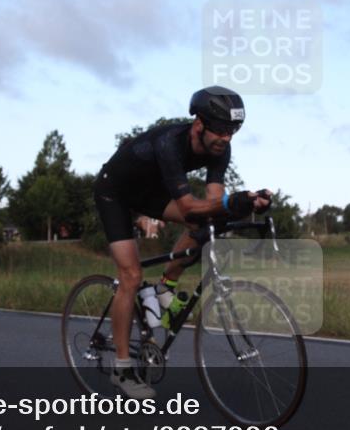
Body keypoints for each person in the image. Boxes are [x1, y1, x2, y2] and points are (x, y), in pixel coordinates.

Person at [93, 86, 272, 399]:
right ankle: (122, 369)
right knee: (131, 277)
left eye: (233, 132)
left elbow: (215, 204)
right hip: (115, 192)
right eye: (221, 131)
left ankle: (164, 288)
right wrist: (234, 202)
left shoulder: (220, 148)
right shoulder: (170, 144)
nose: (226, 139)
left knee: (209, 221)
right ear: (199, 124)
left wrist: (247, 202)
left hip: (150, 192)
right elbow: (190, 207)